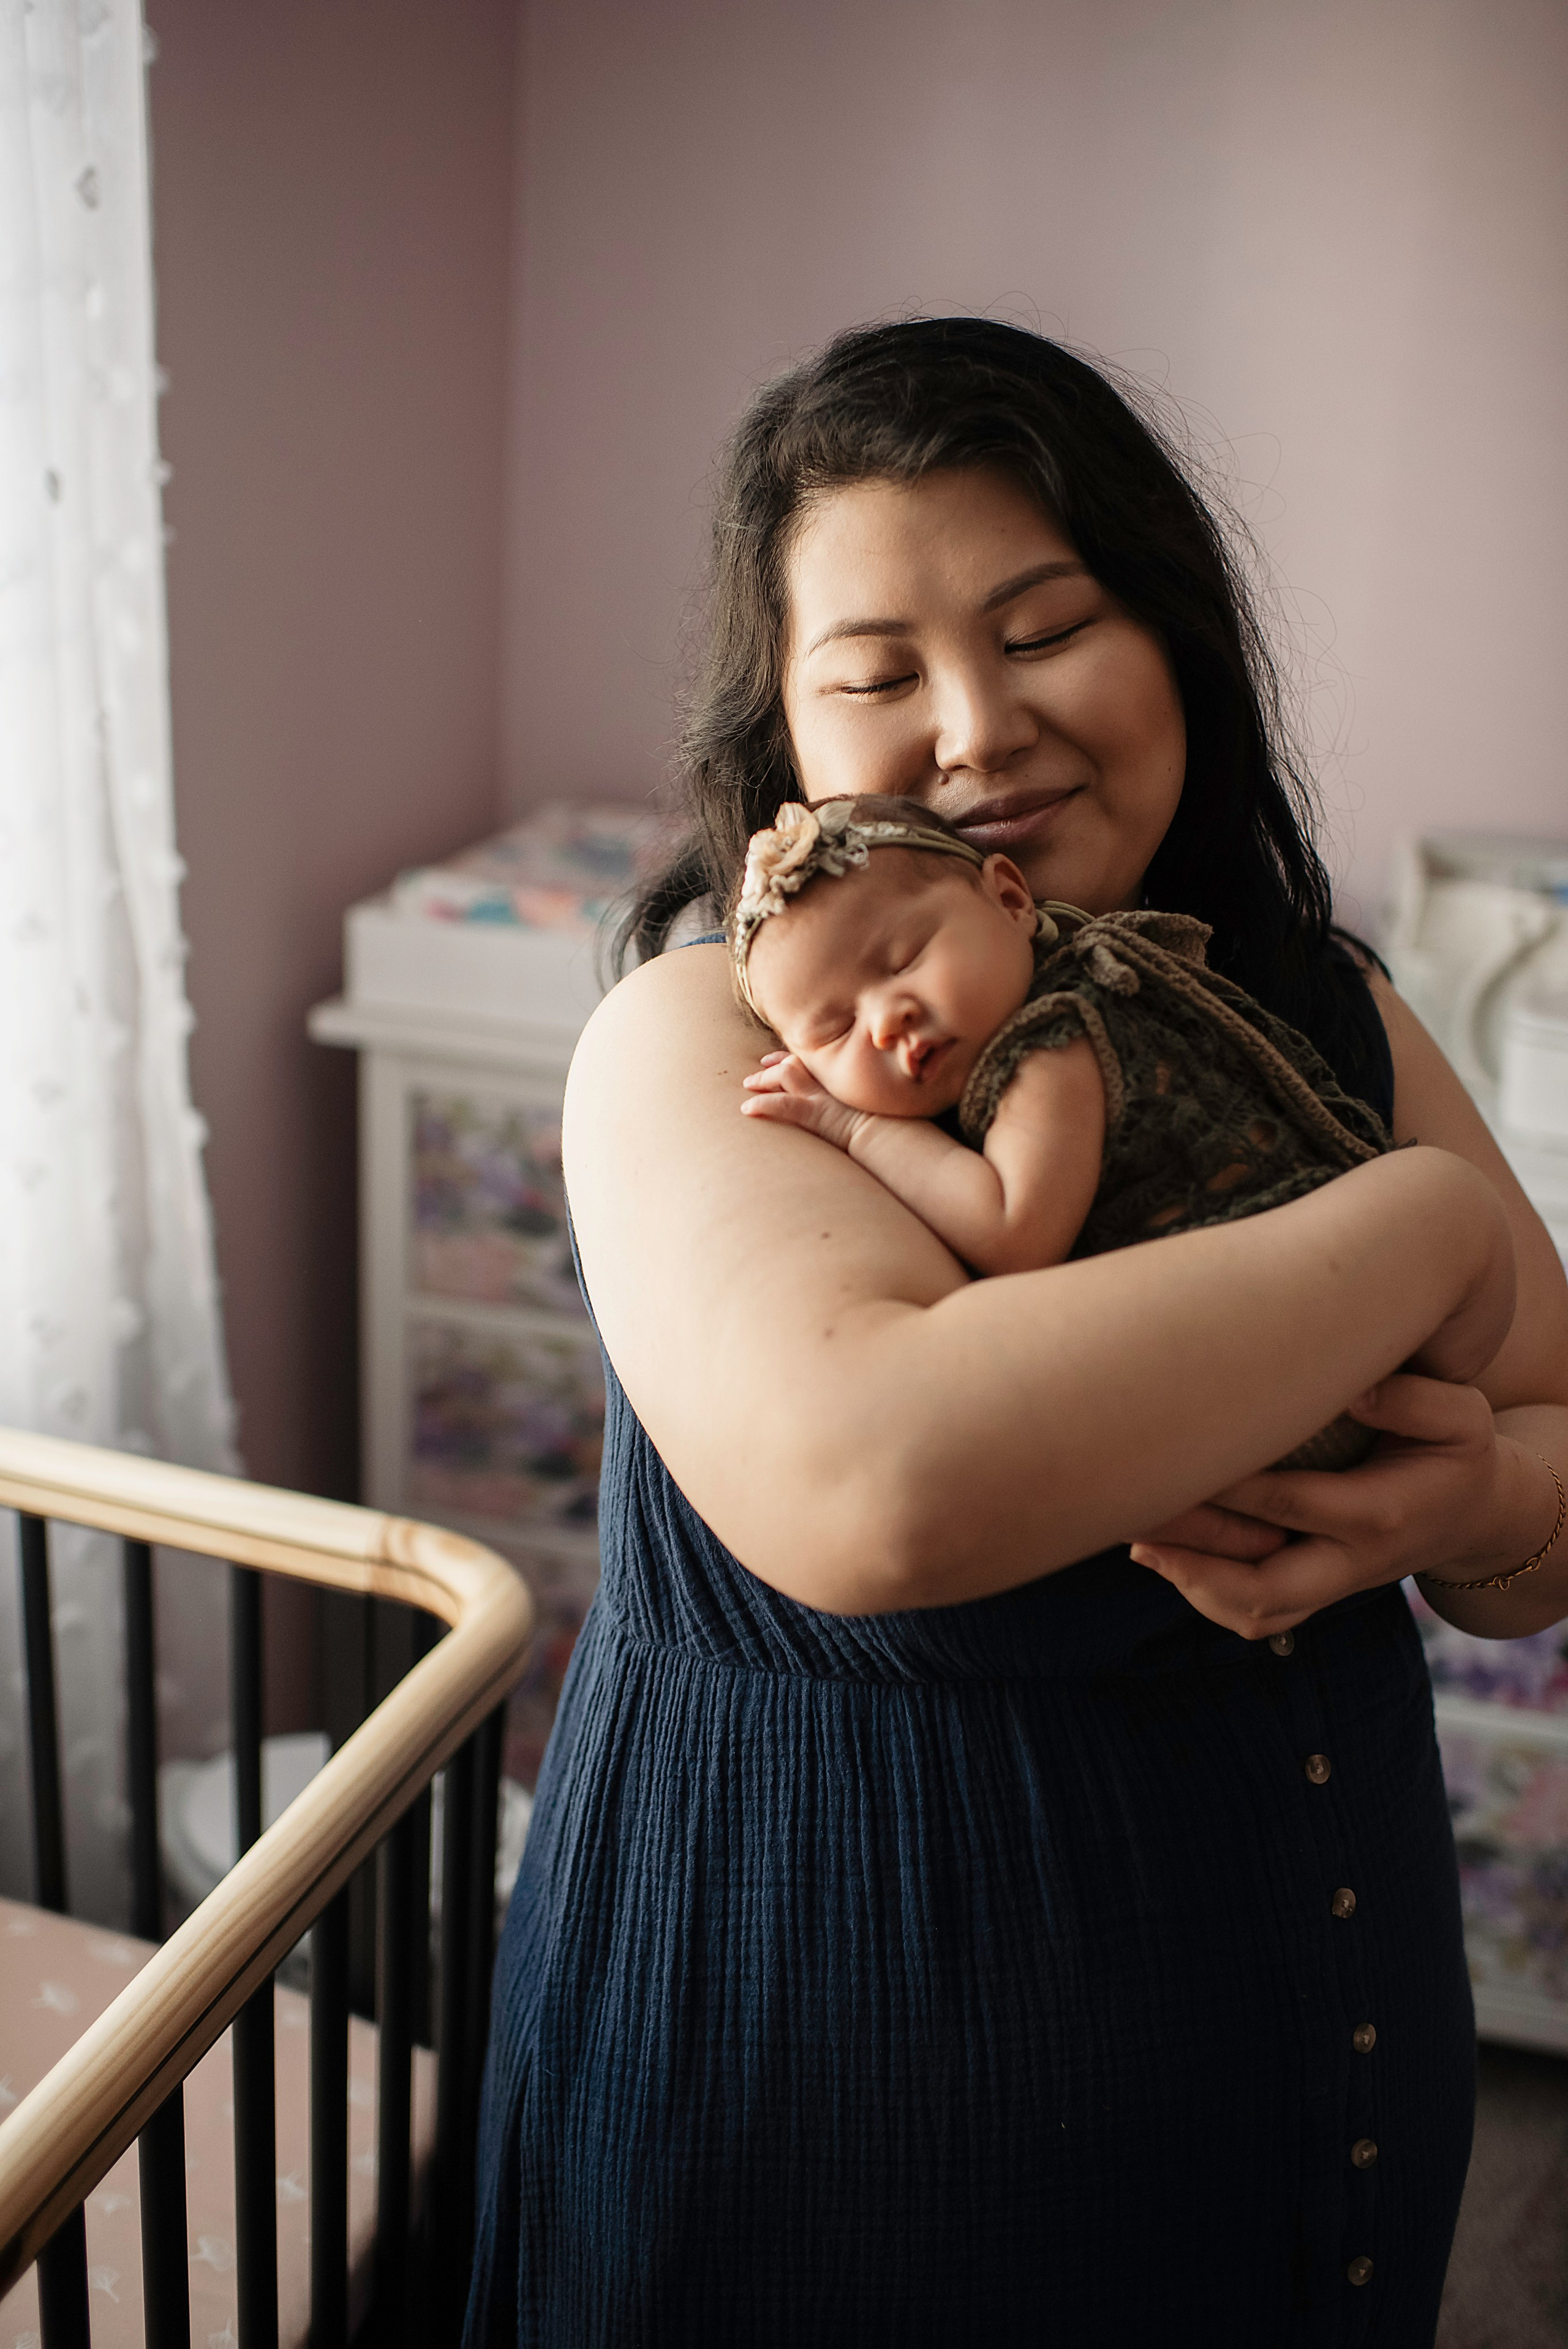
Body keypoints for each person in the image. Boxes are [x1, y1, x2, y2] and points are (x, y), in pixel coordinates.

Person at [466, 320, 1568, 2348]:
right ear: (785, 742)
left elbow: (1553, 1461)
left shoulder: (1310, 1008)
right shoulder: (705, 1044)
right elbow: (877, 1481)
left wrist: (1477, 1489)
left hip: (1301, 2094)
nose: (976, 727)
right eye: (876, 674)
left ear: (1176, 643)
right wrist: (1411, 1236)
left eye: (1048, 626)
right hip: (821, 2114)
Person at [728, 791, 1501, 1476]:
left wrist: (857, 1127)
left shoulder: (1055, 1038)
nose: (885, 1018)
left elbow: (1011, 1229)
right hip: (1297, 1350)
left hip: (1305, 1359)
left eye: (906, 957)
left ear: (1008, 900)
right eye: (833, 1030)